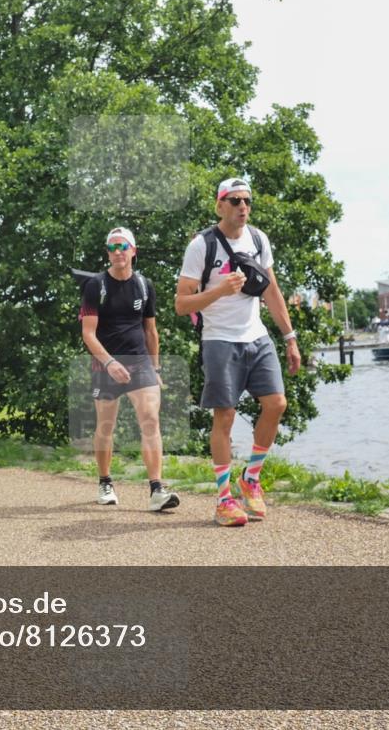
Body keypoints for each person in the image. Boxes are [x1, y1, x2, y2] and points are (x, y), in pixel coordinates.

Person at [175, 178, 301, 527]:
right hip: (219, 340)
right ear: (220, 206)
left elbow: (272, 292)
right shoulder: (201, 245)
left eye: (247, 200)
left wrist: (290, 337)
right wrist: (218, 292)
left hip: (256, 336)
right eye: (234, 200)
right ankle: (224, 500)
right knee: (225, 417)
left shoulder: (259, 239)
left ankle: (251, 478)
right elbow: (181, 304)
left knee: (276, 404)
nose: (242, 206)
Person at [80, 227, 179, 512]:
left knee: (150, 419)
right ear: (108, 253)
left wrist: (156, 367)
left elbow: (151, 330)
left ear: (133, 251)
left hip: (139, 362)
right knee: (106, 426)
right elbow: (88, 334)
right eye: (112, 247)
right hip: (105, 364)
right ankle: (105, 482)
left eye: (123, 246)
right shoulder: (95, 286)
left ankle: (157, 489)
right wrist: (110, 363)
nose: (118, 252)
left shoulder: (144, 285)